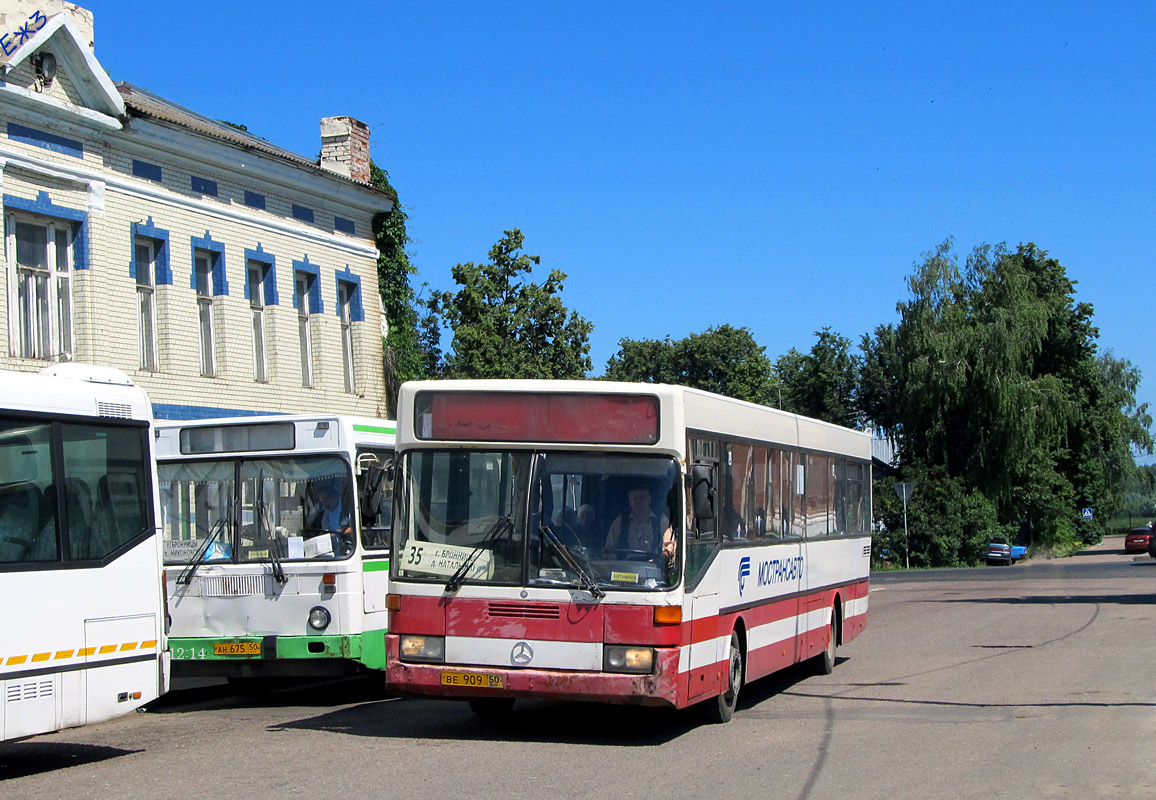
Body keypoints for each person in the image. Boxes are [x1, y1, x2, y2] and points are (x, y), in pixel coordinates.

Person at [602, 483, 675, 563]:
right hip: (625, 568)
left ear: (649, 499)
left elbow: (669, 547)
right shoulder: (619, 522)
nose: (638, 502)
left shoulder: (661, 520)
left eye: (642, 498)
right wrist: (610, 556)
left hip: (653, 568)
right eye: (634, 499)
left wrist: (662, 558)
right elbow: (609, 548)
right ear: (630, 501)